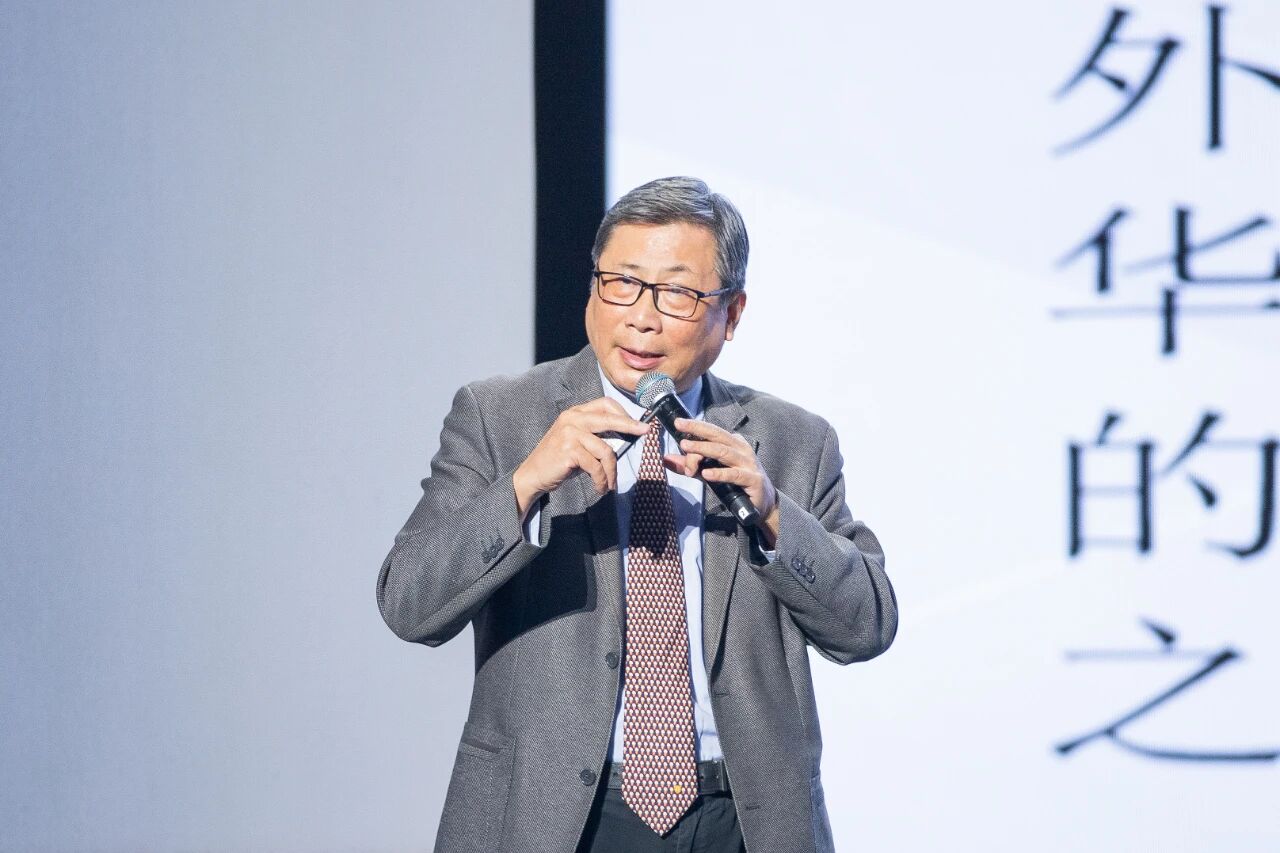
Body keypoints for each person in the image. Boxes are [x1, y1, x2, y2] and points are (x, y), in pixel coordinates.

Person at [377, 176, 897, 853]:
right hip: (556, 816)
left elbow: (865, 626)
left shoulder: (791, 441)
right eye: (621, 283)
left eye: (677, 294)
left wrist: (774, 515)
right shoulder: (500, 416)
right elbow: (409, 604)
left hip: (740, 818)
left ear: (732, 313)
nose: (642, 318)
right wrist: (525, 485)